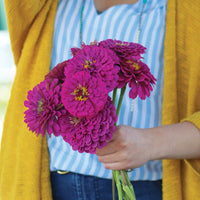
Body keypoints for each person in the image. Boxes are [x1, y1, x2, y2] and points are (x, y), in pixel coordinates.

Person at [0, 0, 200, 200]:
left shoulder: (188, 10)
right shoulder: (44, 7)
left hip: (147, 189)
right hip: (50, 186)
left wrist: (151, 142)